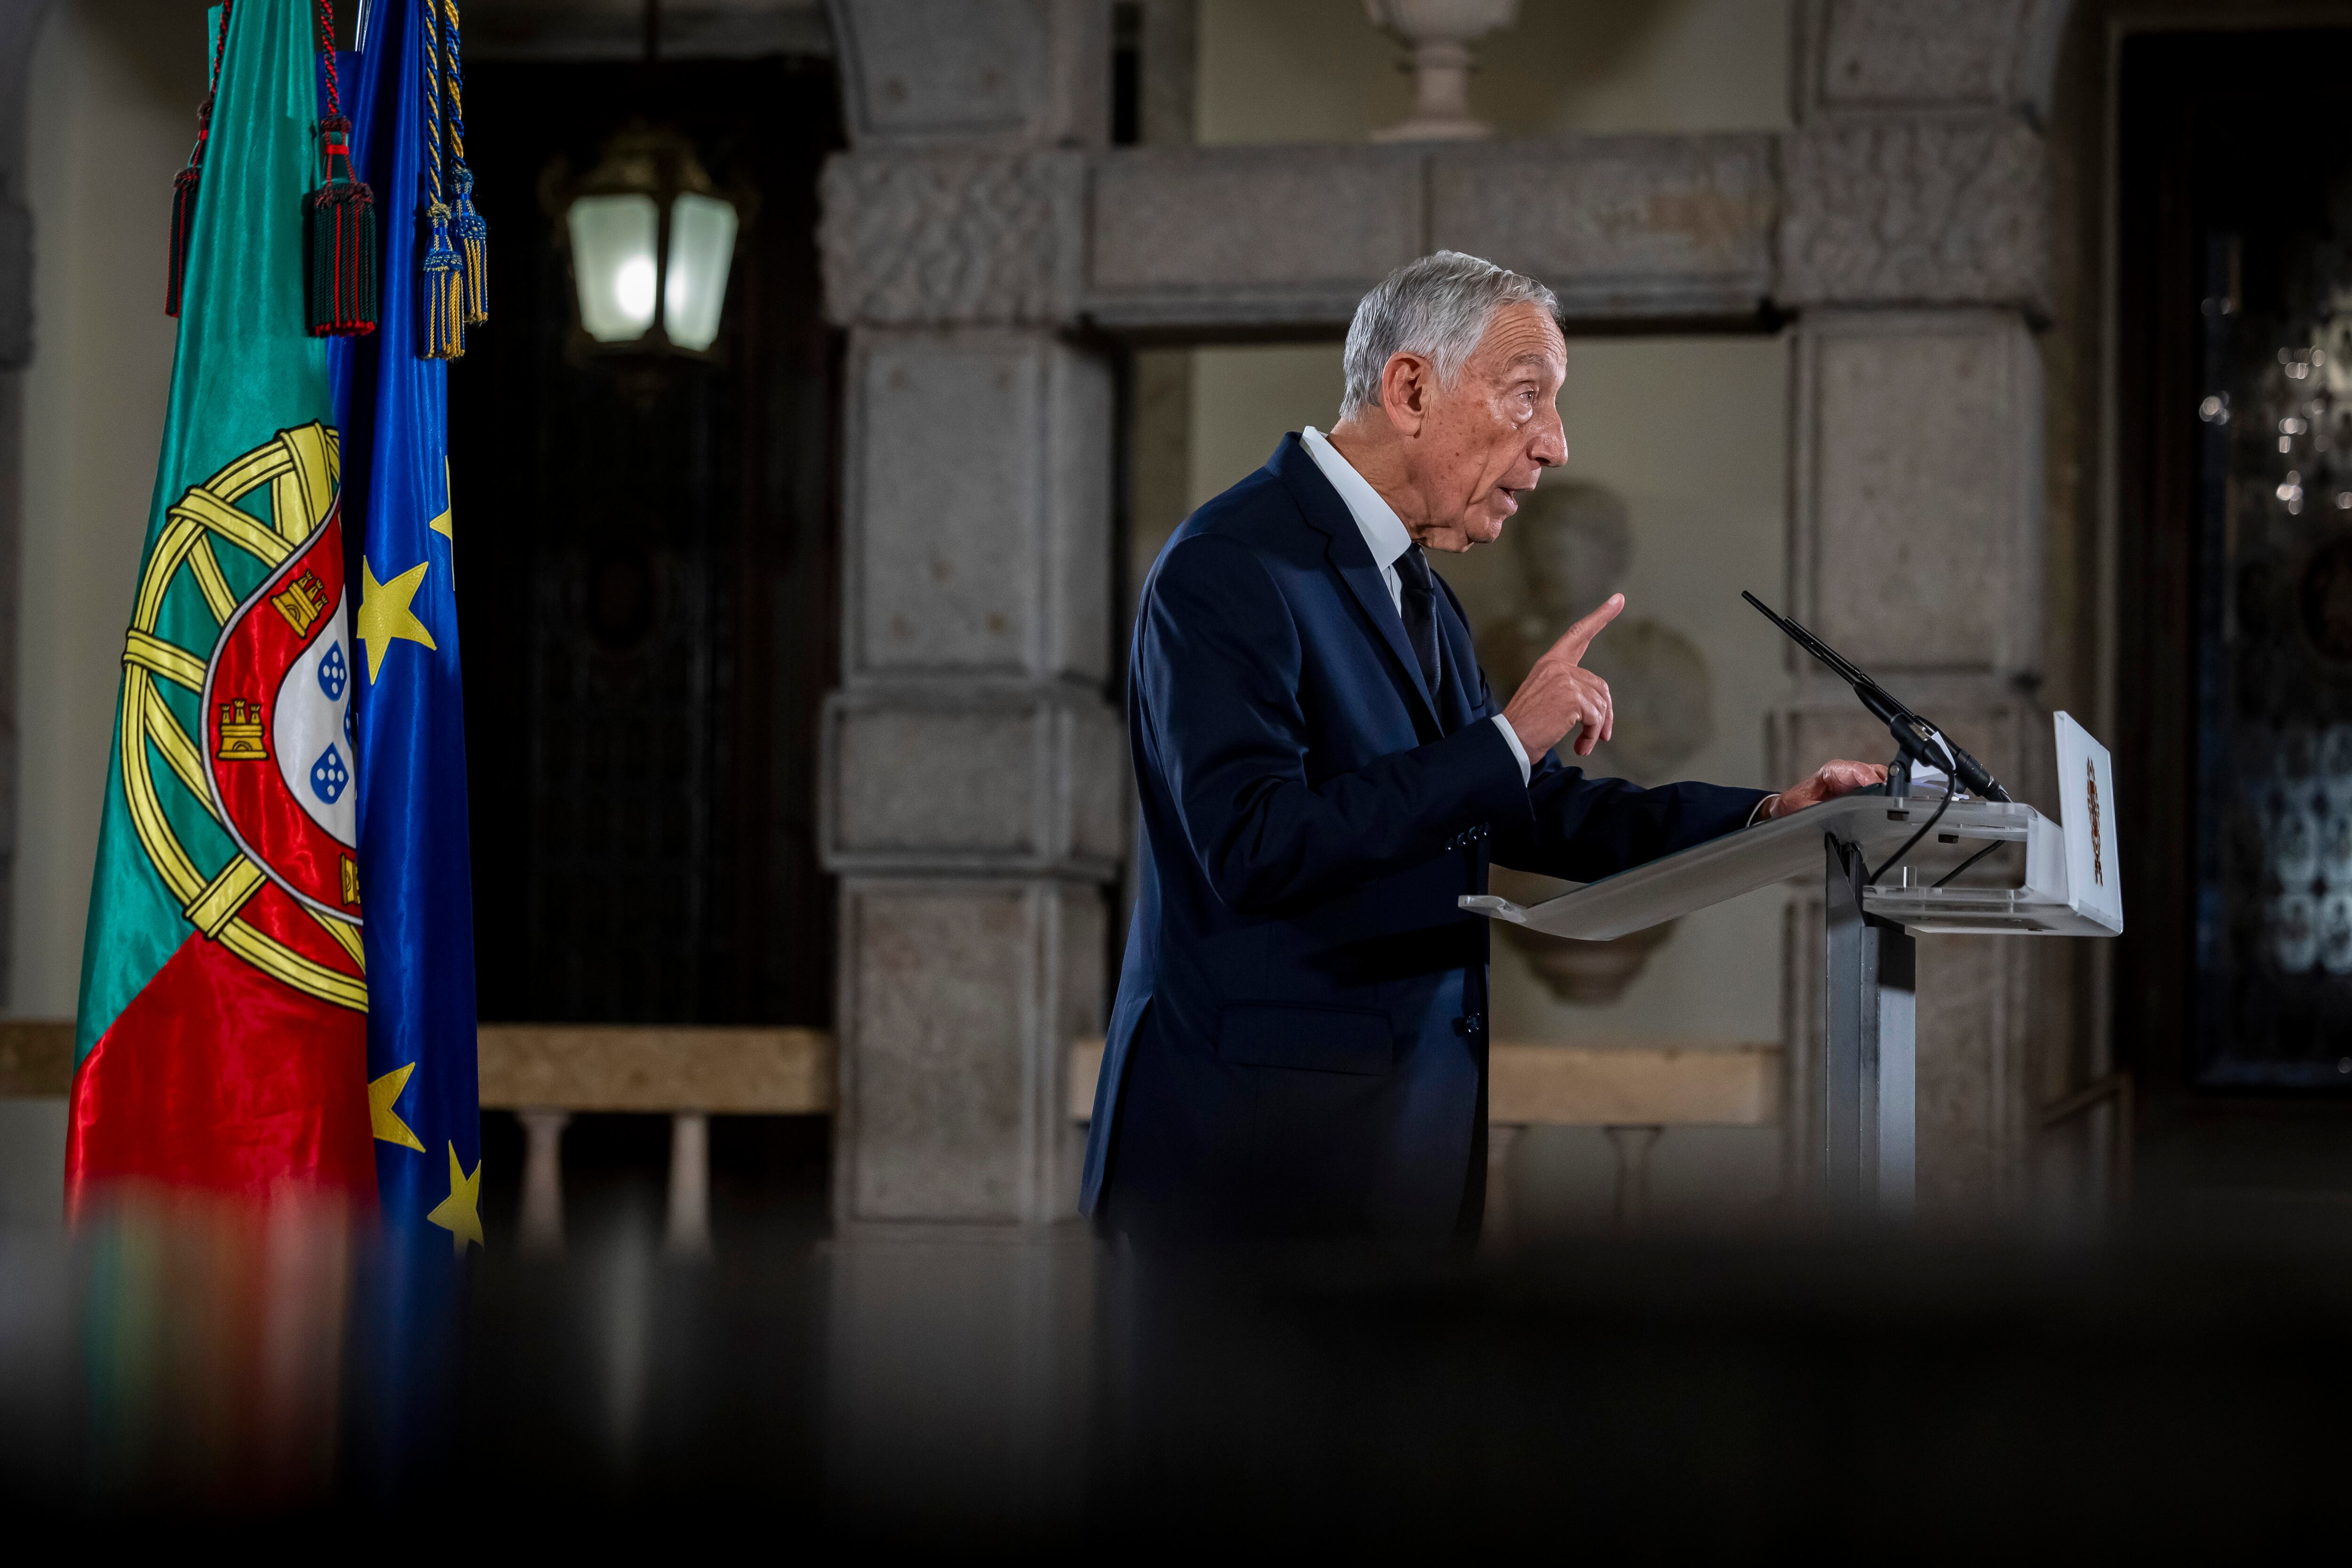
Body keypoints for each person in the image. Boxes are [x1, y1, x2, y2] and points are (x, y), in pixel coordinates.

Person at [1081, 251, 1883, 1252]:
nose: (1553, 442)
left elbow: (1529, 807)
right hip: (1251, 1164)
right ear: (1410, 387)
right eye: (1526, 396)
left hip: (1390, 1153)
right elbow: (1255, 843)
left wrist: (1770, 816)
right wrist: (1504, 738)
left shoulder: (1418, 586)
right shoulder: (1231, 563)